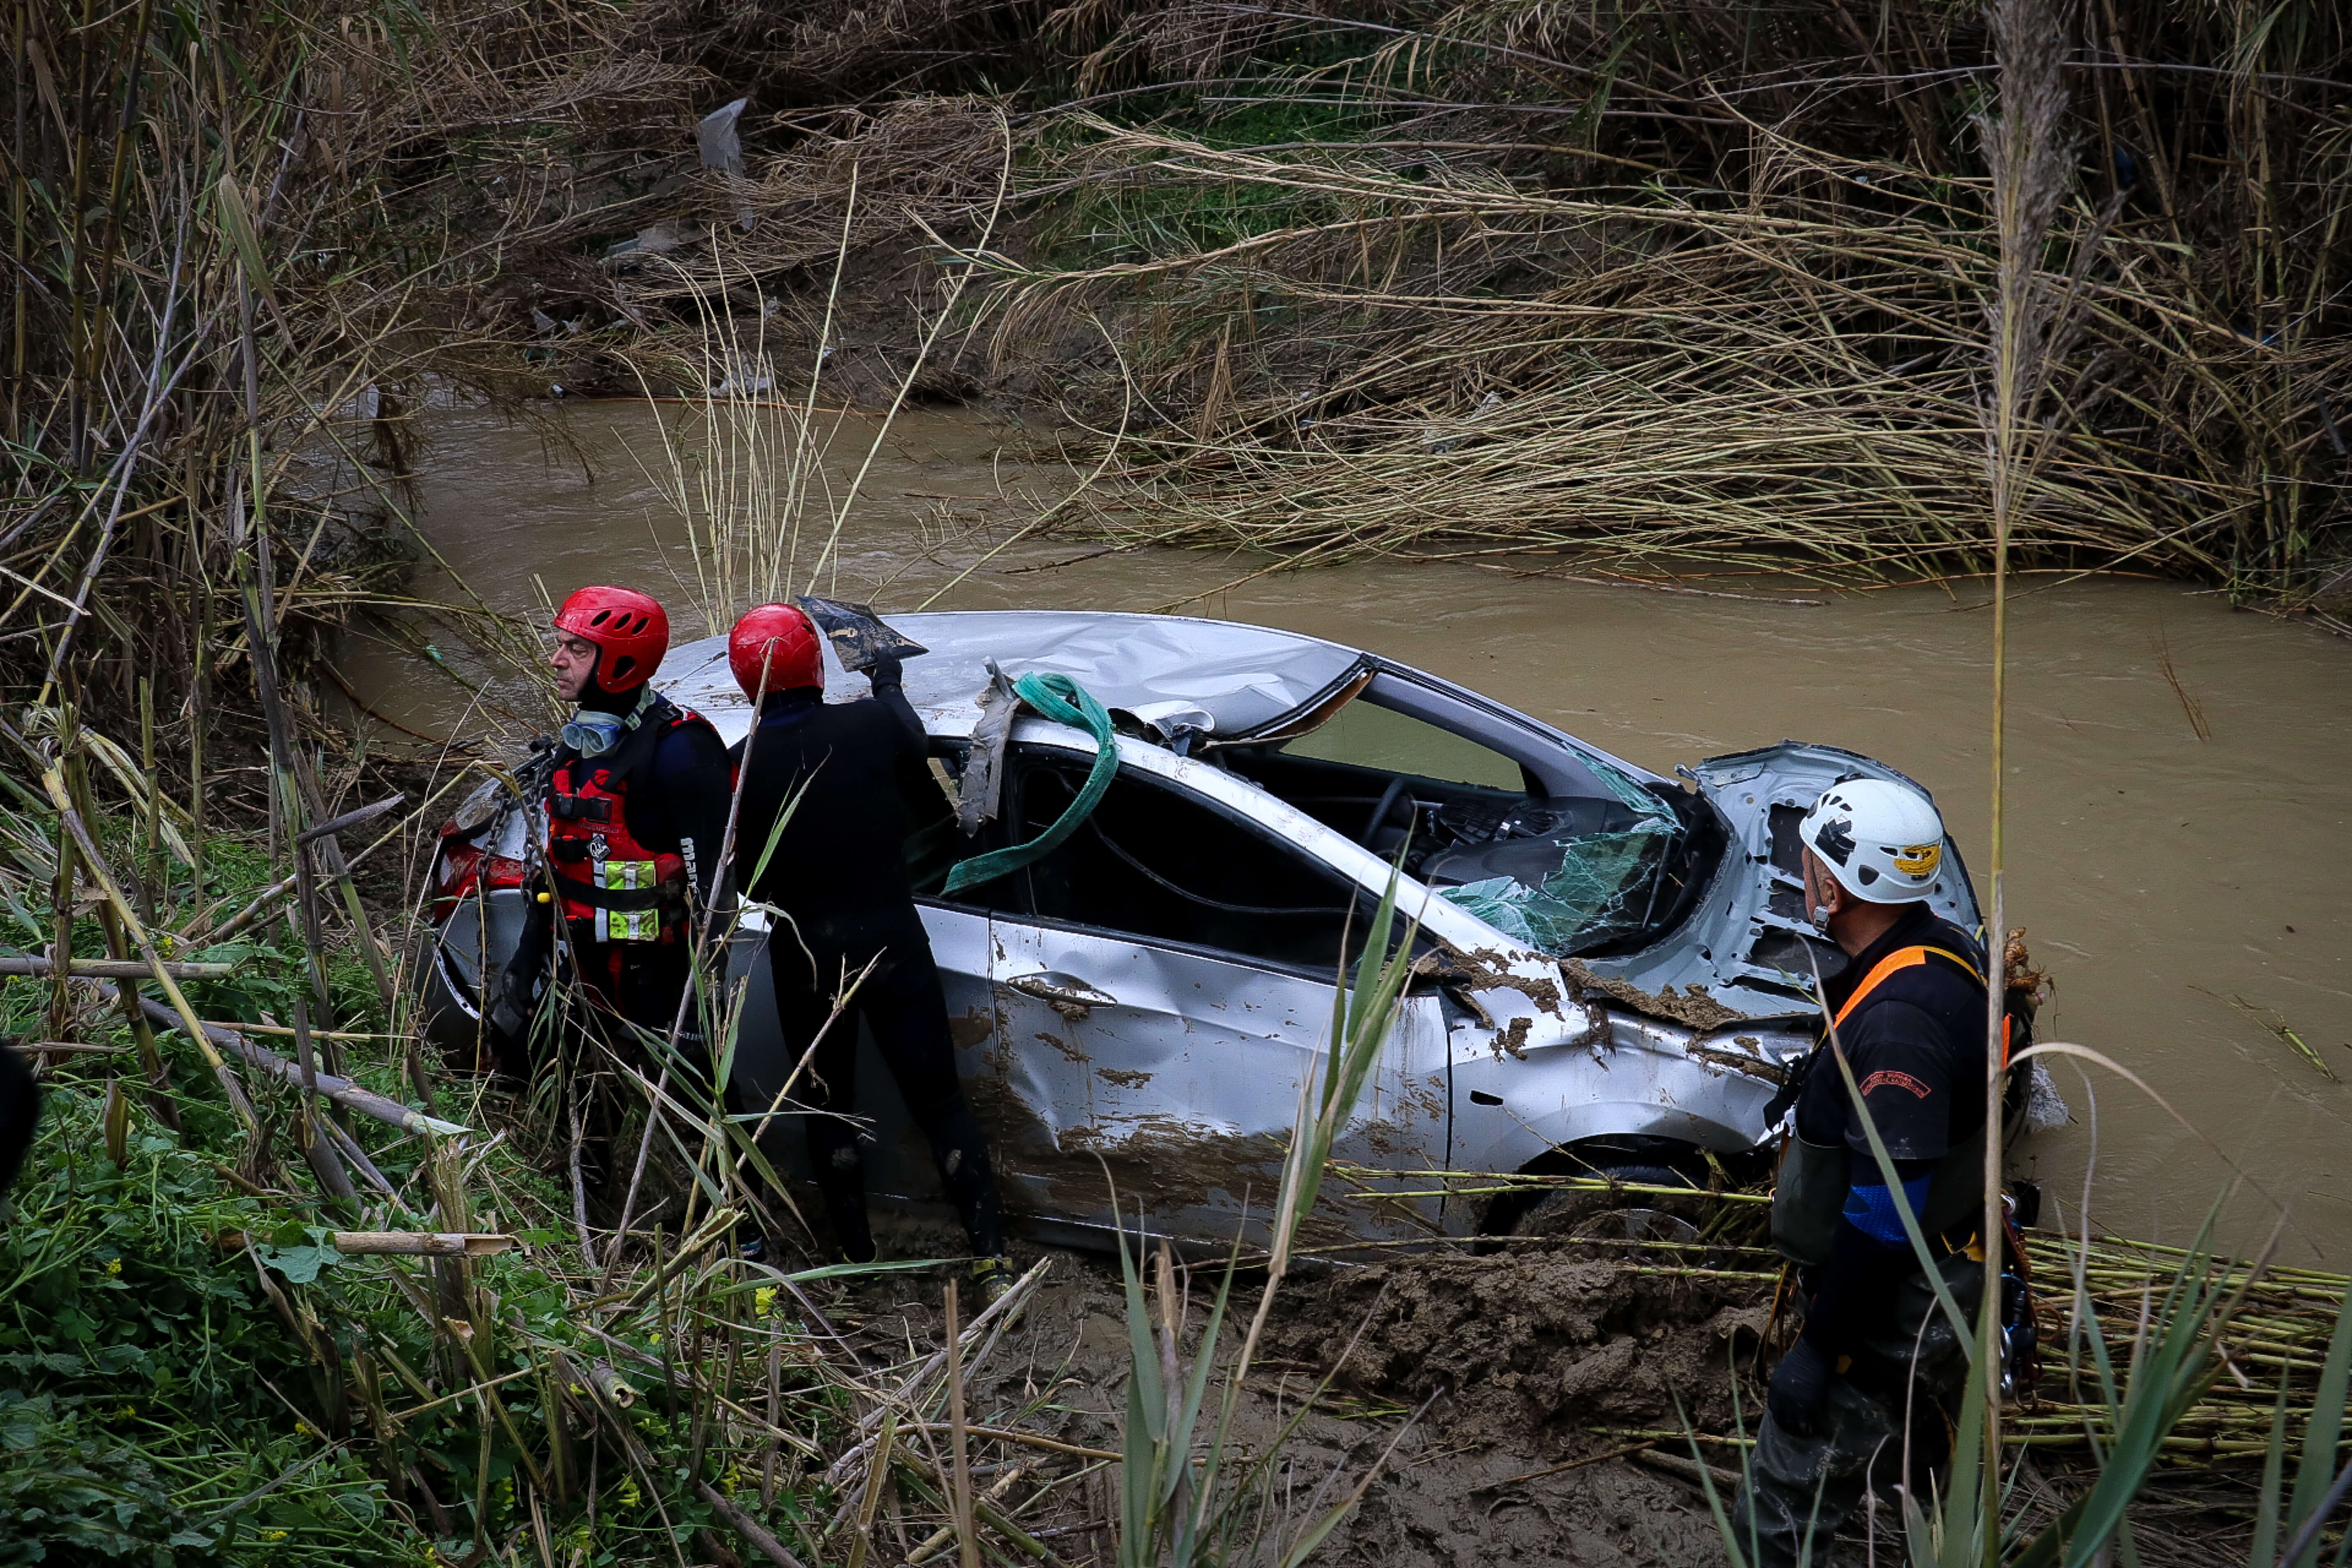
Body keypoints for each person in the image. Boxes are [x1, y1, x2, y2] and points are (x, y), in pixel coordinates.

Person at [1733, 778, 1993, 1568]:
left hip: (1892, 1305)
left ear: (1835, 886)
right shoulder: (1943, 945)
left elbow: (1884, 1215)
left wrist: (1818, 1352)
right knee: (1922, 1469)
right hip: (1945, 1276)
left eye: (1807, 860)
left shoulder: (1898, 1024)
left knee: (1777, 1510)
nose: (1800, 872)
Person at [724, 602, 1012, 1302]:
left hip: (808, 955)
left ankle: (855, 1257)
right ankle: (989, 1258)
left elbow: (742, 880)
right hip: (891, 939)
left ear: (743, 683)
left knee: (828, 1108)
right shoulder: (874, 724)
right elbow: (911, 737)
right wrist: (885, 678)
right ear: (818, 666)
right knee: (940, 1102)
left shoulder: (737, 767)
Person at [493, 587, 731, 1163]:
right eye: (559, 645)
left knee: (702, 1106)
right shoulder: (579, 748)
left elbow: (720, 888)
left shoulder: (681, 751)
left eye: (575, 648)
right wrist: (526, 963)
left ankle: (737, 1231)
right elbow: (553, 870)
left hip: (661, 976)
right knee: (577, 1095)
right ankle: (593, 1221)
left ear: (621, 663)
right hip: (583, 970)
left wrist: (708, 1003)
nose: (556, 659)